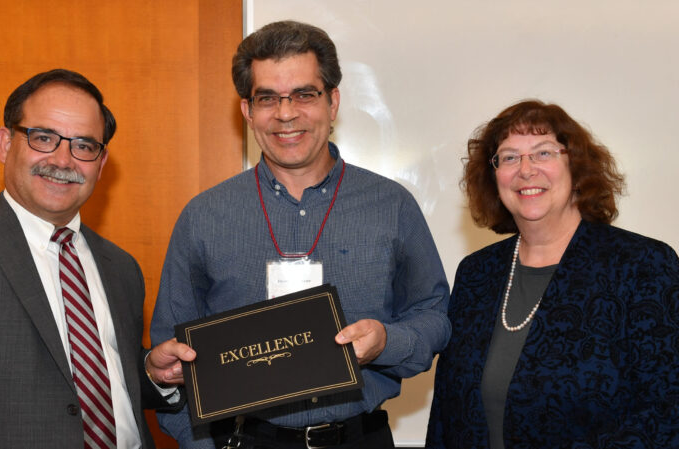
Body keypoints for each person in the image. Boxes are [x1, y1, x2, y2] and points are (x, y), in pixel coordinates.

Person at [146, 20, 450, 449]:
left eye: (304, 94)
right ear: (247, 111)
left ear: (333, 102)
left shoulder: (392, 205)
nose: (286, 114)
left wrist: (388, 340)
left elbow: (435, 315)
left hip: (359, 439)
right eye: (267, 97)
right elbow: (170, 353)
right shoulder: (203, 217)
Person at [0, 68, 185, 448]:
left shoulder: (121, 267)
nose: (63, 161)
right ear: (5, 144)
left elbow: (99, 378)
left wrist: (151, 374)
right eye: (43, 138)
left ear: (101, 162)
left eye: (83, 145)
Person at [426, 99, 679, 448]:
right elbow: (446, 415)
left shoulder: (643, 265)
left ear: (576, 167)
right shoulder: (476, 273)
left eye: (543, 153)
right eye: (509, 157)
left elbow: (666, 413)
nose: (526, 170)